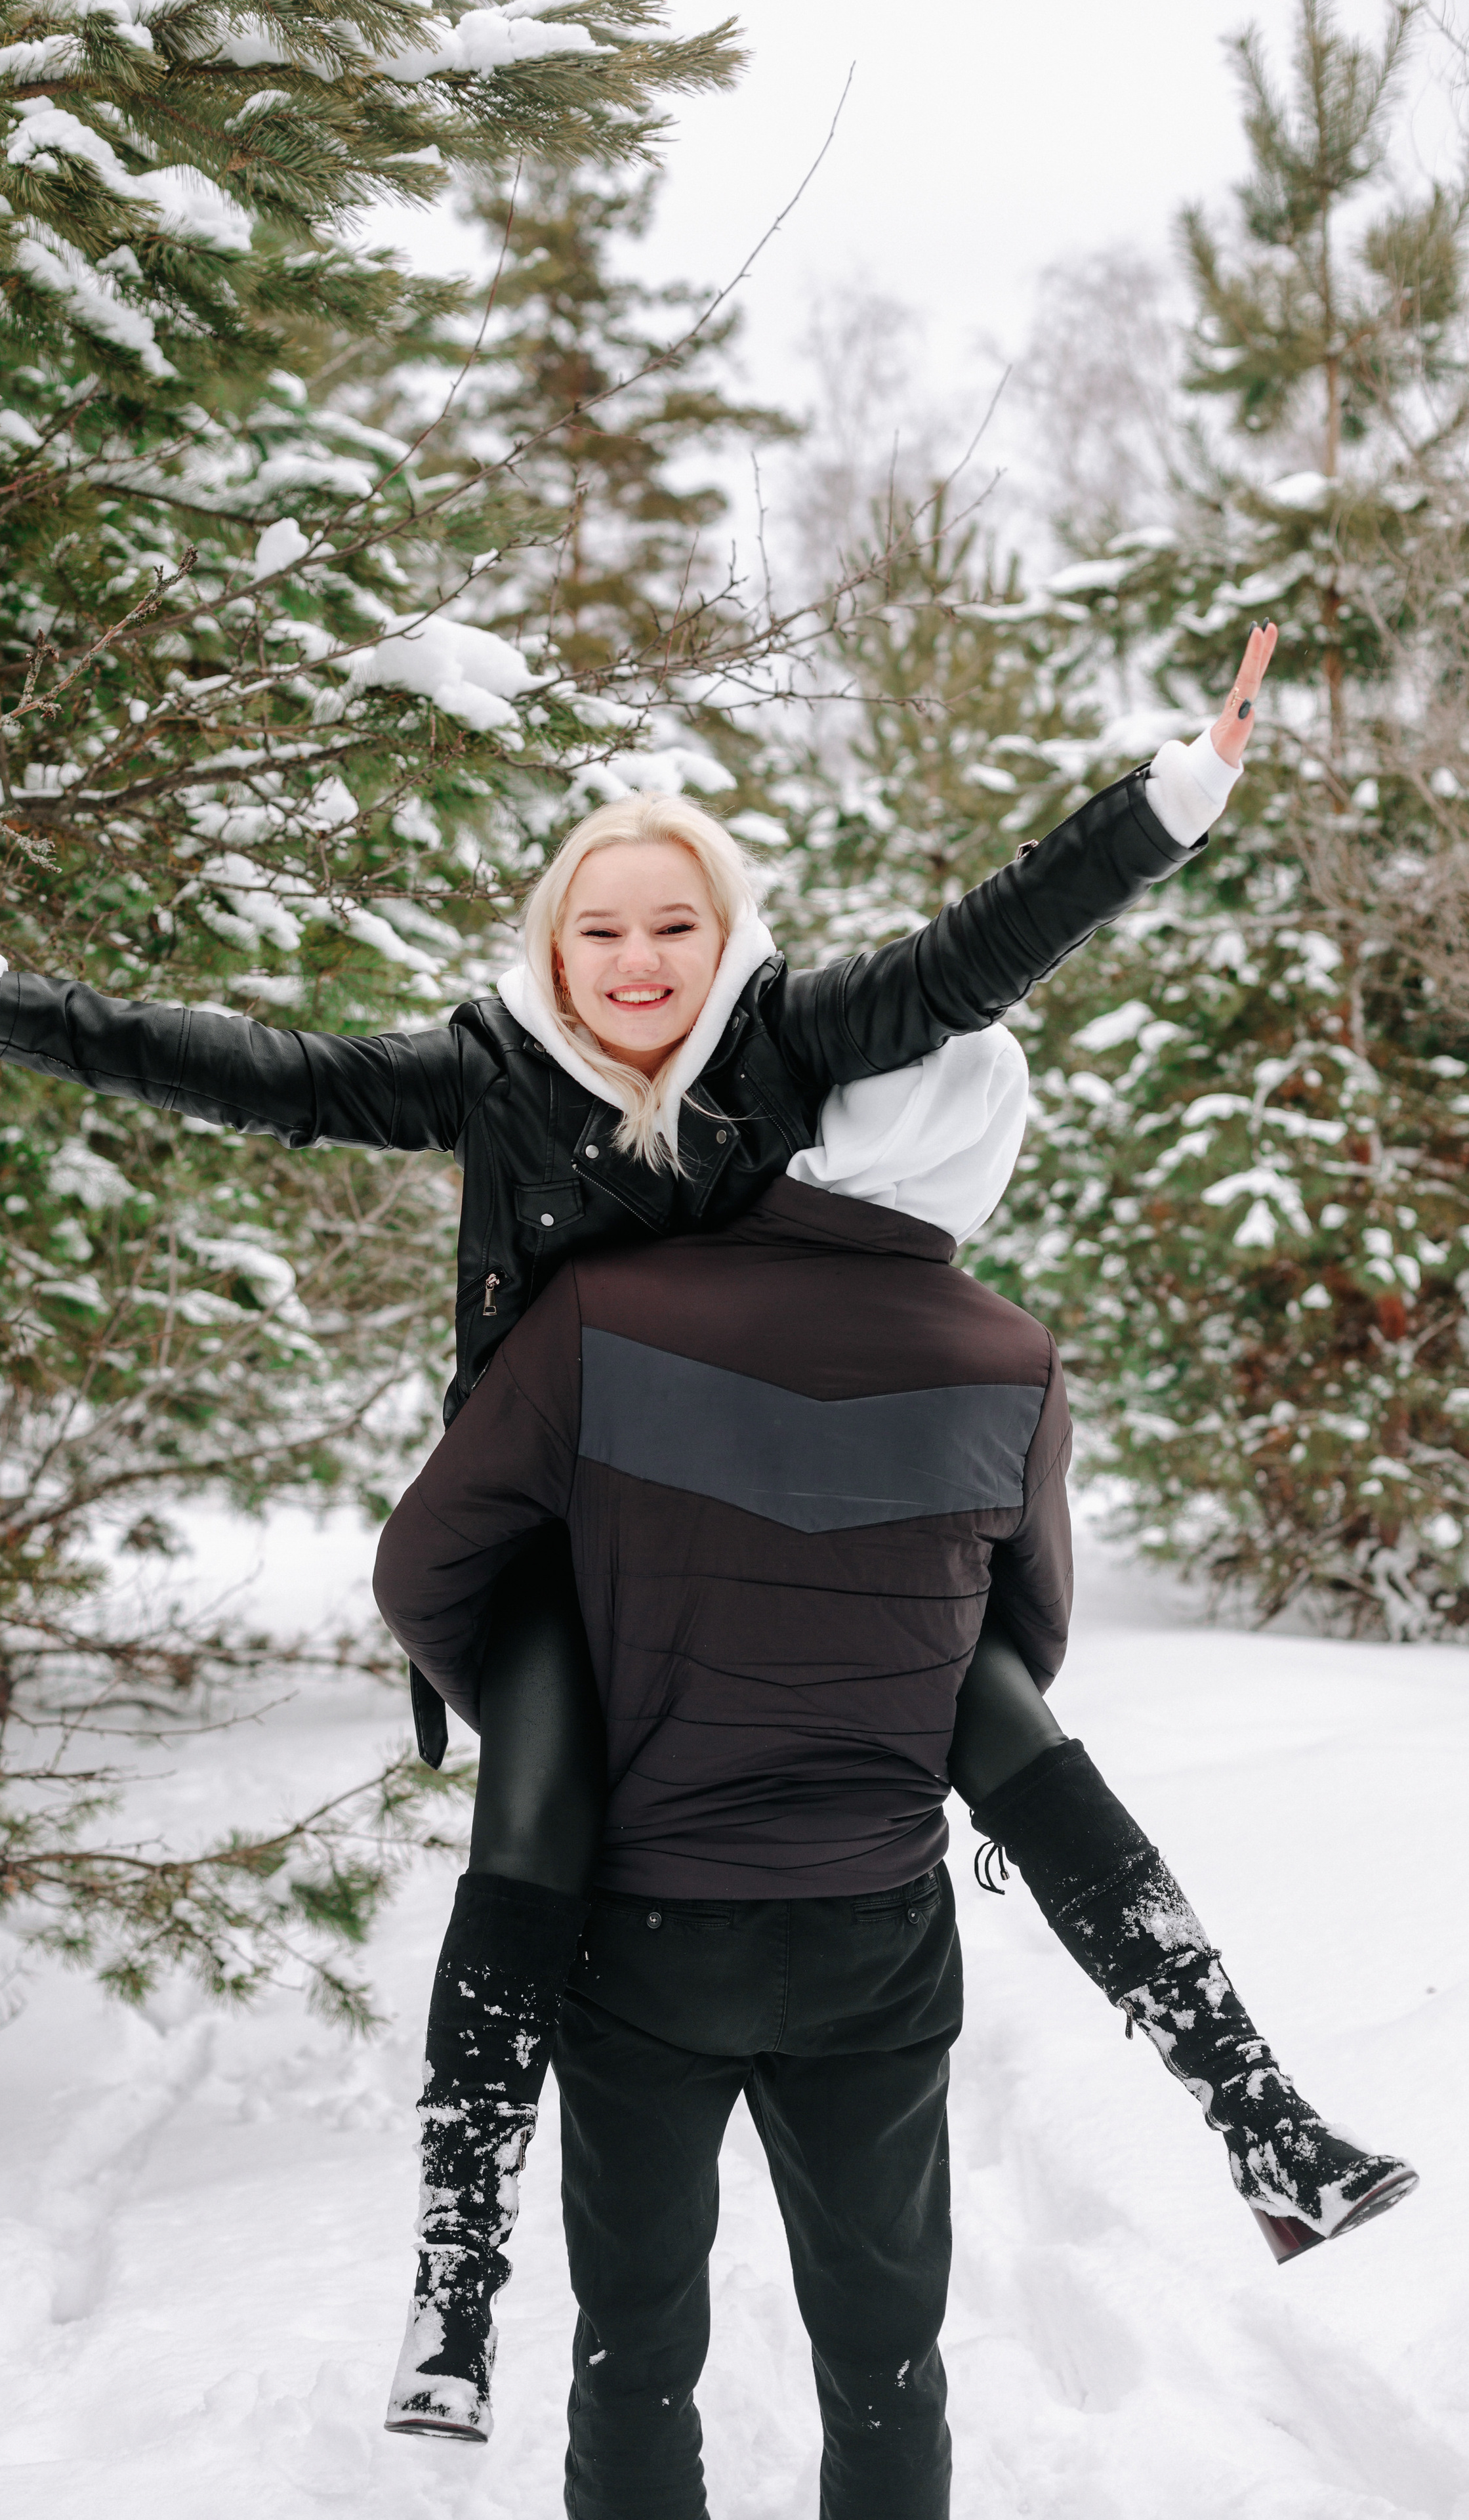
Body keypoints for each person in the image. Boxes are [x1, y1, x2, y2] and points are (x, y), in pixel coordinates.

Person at [0, 626, 1300, 2441]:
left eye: (674, 927)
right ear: (552, 949)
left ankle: (1253, 2102)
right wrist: (7, 1005)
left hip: (768, 1541)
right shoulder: (494, 1071)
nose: (639, 962)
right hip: (569, 1536)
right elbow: (276, 1076)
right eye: (601, 931)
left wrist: (1164, 807)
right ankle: (455, 2268)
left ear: (727, 942)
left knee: (976, 1686)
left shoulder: (788, 1041)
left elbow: (971, 957)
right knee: (540, 1798)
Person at [370, 1025, 1418, 2514]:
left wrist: (561, 1702)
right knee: (885, 2360)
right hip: (872, 1938)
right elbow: (1023, 1637)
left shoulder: (603, 1309)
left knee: (635, 2348)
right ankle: (1256, 2111)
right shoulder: (1010, 1356)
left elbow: (421, 1567)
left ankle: (454, 2269)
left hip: (635, 1936)